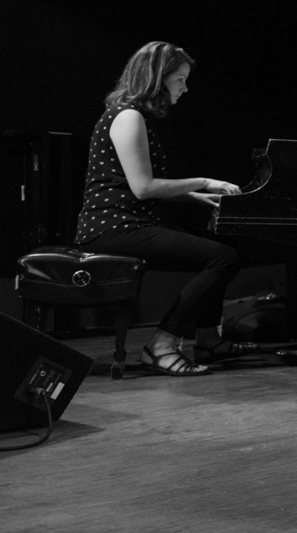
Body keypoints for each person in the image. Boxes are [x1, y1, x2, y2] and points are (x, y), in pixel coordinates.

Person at [74, 41, 250, 376]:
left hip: (128, 223)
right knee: (221, 258)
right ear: (158, 78)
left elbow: (137, 185)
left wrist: (193, 198)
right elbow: (143, 187)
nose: (185, 88)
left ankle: (209, 340)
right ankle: (161, 346)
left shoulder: (133, 117)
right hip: (112, 230)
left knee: (224, 249)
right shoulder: (128, 117)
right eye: (180, 79)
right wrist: (202, 182)